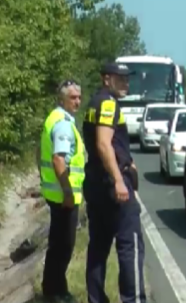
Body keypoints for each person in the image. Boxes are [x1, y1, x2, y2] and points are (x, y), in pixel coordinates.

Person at [83, 62, 146, 303]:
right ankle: (133, 300)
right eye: (120, 78)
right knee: (130, 245)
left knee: (98, 247)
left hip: (96, 183)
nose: (126, 83)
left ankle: (95, 298)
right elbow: (103, 143)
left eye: (127, 78)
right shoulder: (108, 103)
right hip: (112, 183)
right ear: (106, 79)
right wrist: (119, 179)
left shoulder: (94, 101)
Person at [40, 79, 85, 303]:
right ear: (62, 99)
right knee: (64, 247)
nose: (77, 101)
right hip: (63, 197)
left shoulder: (56, 118)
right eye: (72, 97)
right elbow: (59, 159)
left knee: (57, 245)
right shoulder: (63, 124)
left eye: (79, 97)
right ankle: (55, 291)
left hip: (57, 195)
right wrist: (68, 192)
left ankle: (53, 288)